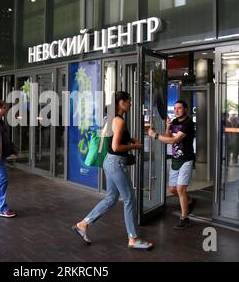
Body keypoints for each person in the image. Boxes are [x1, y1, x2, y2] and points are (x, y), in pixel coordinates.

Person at [72, 91, 153, 250]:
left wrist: (128, 139)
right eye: (128, 101)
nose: (130, 104)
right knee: (129, 199)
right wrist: (135, 146)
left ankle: (83, 224)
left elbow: (112, 138)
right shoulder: (119, 121)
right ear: (121, 103)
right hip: (116, 162)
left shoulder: (108, 118)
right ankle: (133, 238)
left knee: (111, 198)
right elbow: (116, 146)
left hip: (108, 162)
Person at [148, 100, 196, 229]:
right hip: (175, 159)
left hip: (186, 159)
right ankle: (190, 200)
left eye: (179, 108)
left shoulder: (188, 123)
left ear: (185, 109)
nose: (176, 110)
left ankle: (185, 218)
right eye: (175, 108)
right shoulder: (175, 122)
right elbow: (167, 138)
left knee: (180, 189)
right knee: (172, 189)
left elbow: (175, 140)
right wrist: (168, 127)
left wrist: (155, 135)